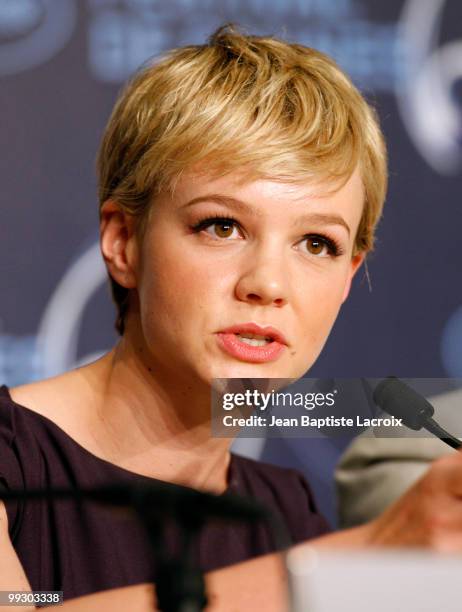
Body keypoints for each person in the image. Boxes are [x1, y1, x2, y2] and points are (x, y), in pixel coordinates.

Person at [2, 23, 462, 612]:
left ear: (350, 275)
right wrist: (364, 556)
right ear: (124, 242)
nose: (268, 284)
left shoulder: (287, 515)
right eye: (221, 226)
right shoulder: (12, 462)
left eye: (317, 243)